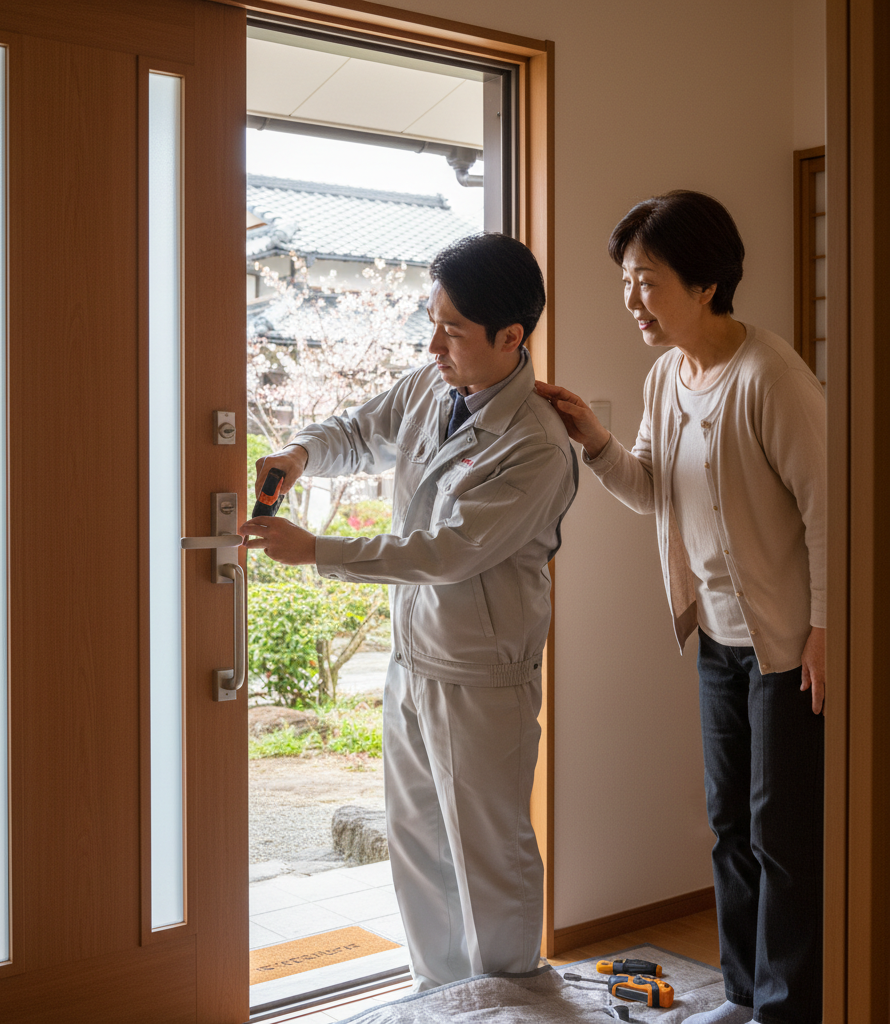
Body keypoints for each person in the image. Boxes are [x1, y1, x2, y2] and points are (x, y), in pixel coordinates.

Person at [240, 232, 579, 991]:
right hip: (413, 656)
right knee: (419, 846)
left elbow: (447, 550)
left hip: (482, 673)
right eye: (432, 322)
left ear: (511, 337)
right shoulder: (434, 384)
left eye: (452, 329)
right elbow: (361, 431)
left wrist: (317, 549)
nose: (433, 345)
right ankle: (443, 996)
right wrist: (300, 454)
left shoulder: (536, 443)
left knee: (489, 858)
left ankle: (508, 1002)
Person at [539, 190, 825, 1024]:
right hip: (717, 639)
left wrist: (827, 629)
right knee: (728, 825)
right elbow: (652, 489)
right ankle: (741, 993)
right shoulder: (667, 375)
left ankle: (787, 1008)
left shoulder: (771, 376)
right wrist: (594, 440)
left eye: (648, 281)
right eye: (627, 281)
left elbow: (834, 512)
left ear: (705, 284)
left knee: (781, 835)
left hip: (787, 645)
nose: (633, 300)